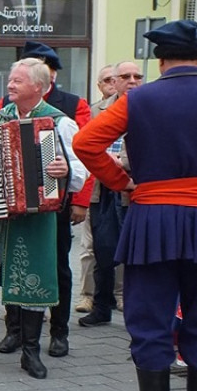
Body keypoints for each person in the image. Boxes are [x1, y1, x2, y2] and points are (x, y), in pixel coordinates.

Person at [73, 21, 197, 391]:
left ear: (160, 61)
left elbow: (87, 144)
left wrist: (121, 181)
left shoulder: (137, 100)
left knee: (150, 318)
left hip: (153, 217)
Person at [0, 58, 86, 379]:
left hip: (37, 214)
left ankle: (30, 351)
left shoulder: (61, 123)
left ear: (38, 87)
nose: (9, 85)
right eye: (10, 80)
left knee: (34, 277)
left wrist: (65, 172)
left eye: (17, 81)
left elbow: (80, 170)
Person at [0, 41, 91, 359]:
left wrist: (79, 200)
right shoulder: (5, 106)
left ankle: (59, 331)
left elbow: (82, 157)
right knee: (13, 263)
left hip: (56, 204)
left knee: (57, 267)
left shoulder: (71, 105)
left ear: (46, 73)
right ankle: (15, 329)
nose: (14, 81)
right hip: (14, 203)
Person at [78, 61, 142, 328]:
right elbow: (86, 146)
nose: (132, 81)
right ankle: (101, 306)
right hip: (104, 189)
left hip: (136, 189)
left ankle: (135, 308)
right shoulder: (97, 110)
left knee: (138, 253)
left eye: (137, 76)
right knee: (103, 251)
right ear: (113, 82)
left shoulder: (148, 107)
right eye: (125, 76)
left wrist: (122, 162)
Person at [75, 64, 118, 314]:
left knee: (121, 244)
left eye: (116, 79)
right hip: (97, 184)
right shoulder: (92, 111)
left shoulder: (136, 108)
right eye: (107, 80)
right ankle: (87, 295)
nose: (112, 84)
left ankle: (119, 294)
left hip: (125, 184)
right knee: (90, 245)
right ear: (100, 86)